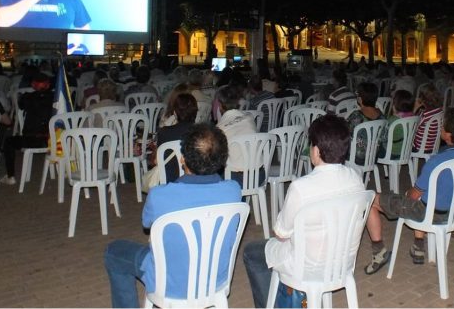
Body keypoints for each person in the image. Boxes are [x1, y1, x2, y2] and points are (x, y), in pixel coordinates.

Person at [104, 124, 241, 308]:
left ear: (182, 159)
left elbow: (147, 223)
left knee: (114, 251)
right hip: (215, 281)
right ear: (222, 160)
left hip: (168, 285)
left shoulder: (160, 195)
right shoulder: (233, 191)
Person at [242, 115, 364, 308]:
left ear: (315, 151)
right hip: (341, 263)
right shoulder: (356, 178)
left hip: (304, 267)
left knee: (251, 252)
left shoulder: (301, 188)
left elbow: (281, 233)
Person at [363, 110, 454, 273]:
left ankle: (379, 252)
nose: (441, 129)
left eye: (443, 127)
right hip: (452, 213)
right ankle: (418, 246)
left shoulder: (437, 161)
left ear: (448, 135)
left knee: (371, 198)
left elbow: (414, 195)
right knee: (426, 197)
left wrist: (407, 195)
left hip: (429, 214)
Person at [1, 72, 55, 185]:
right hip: (53, 140)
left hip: (31, 140)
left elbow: (20, 105)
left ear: (33, 85)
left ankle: (10, 176)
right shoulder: (56, 98)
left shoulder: (27, 97)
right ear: (48, 84)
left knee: (8, 141)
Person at [156, 93, 198, 183]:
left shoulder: (164, 132)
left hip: (170, 180)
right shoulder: (203, 132)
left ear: (175, 113)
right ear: (196, 112)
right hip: (197, 179)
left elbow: (157, 161)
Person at [347, 82, 385, 163]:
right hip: (374, 155)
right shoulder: (381, 116)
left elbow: (346, 132)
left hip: (356, 157)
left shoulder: (356, 116)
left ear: (360, 99)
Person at [411, 83, 443, 153]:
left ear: (422, 98)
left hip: (420, 147)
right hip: (434, 146)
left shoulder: (425, 114)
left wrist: (415, 109)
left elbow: (411, 128)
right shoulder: (440, 111)